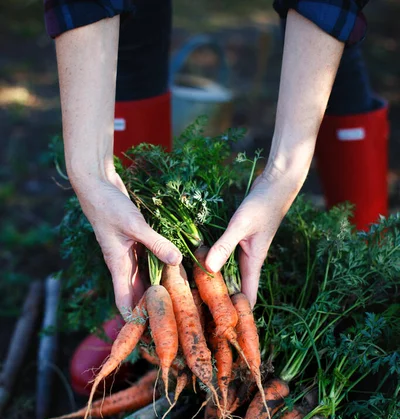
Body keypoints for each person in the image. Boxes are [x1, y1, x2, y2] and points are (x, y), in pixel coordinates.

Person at [45, 0, 385, 393]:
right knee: (133, 32)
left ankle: (366, 255)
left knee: (336, 52)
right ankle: (142, 306)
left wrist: (283, 174)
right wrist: (90, 172)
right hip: (160, 283)